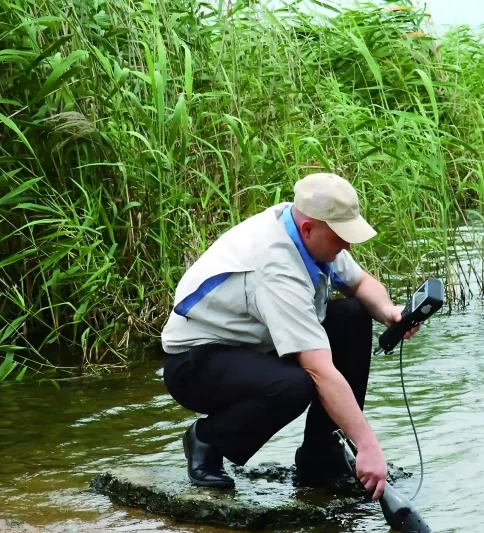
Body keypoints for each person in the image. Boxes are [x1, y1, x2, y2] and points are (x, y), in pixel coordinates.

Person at [161, 173, 420, 501]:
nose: (348, 245)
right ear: (309, 229)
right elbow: (320, 371)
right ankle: (208, 439)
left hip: (254, 345)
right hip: (197, 362)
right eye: (342, 236)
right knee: (295, 385)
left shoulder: (305, 225)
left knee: (354, 316)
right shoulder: (276, 266)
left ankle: (321, 453)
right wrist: (368, 447)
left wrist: (389, 312)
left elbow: (360, 284)